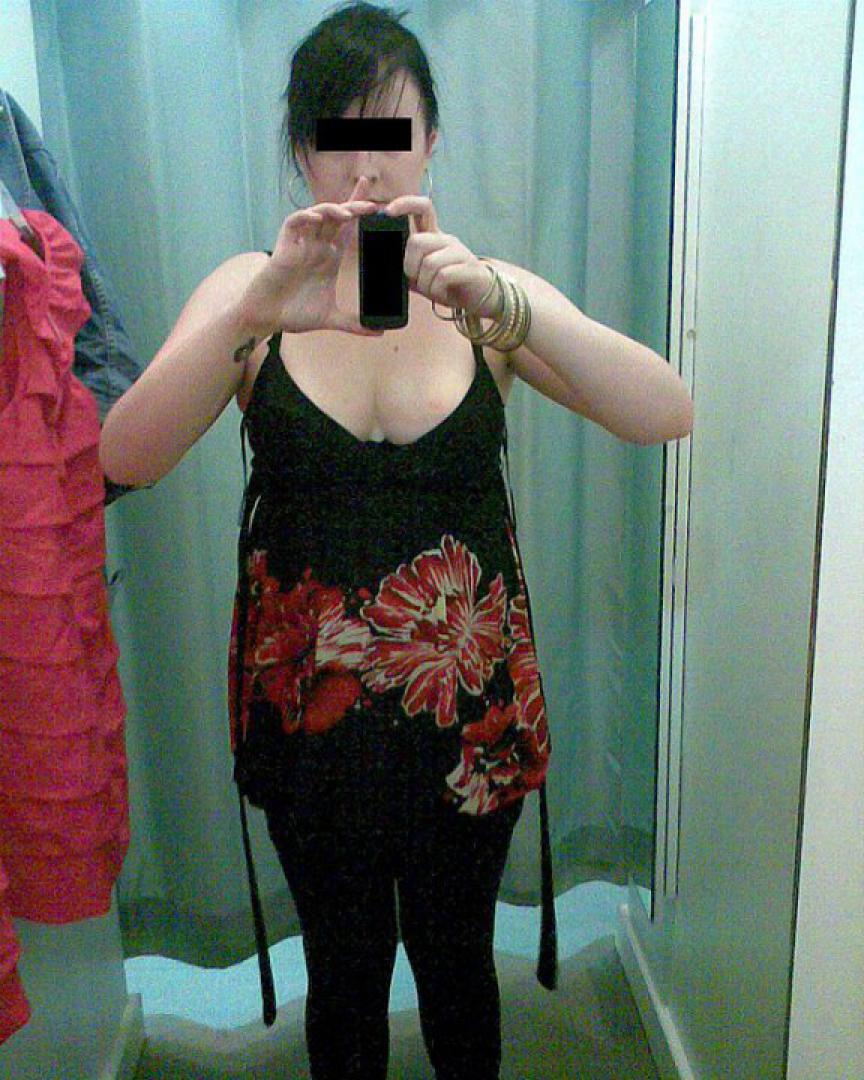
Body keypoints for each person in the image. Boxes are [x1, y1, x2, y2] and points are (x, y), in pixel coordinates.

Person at [100, 4, 693, 1078]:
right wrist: (262, 309)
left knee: (460, 966)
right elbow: (127, 455)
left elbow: (665, 409)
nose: (367, 169)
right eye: (340, 137)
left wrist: (502, 302)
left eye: (393, 135)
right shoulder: (249, 289)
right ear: (300, 152)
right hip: (310, 719)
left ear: (432, 145)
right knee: (344, 973)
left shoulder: (480, 295)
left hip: (469, 719)